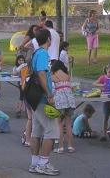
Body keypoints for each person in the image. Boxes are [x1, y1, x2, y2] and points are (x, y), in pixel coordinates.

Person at [29, 28, 60, 175]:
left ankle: (35, 163)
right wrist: (49, 94)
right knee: (52, 130)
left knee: (37, 131)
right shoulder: (42, 54)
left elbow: (42, 74)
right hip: (41, 98)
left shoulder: (36, 53)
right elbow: (41, 74)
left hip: (34, 98)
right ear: (49, 39)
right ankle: (43, 163)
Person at [51, 60, 76, 153]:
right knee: (68, 124)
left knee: (60, 124)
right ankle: (70, 146)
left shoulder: (53, 76)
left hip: (60, 102)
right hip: (70, 101)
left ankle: (61, 147)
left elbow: (51, 89)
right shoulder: (67, 76)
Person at [93, 63, 110, 141]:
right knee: (105, 116)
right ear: (106, 71)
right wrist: (101, 85)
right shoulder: (103, 78)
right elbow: (94, 84)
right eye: (109, 72)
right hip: (106, 100)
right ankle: (104, 134)